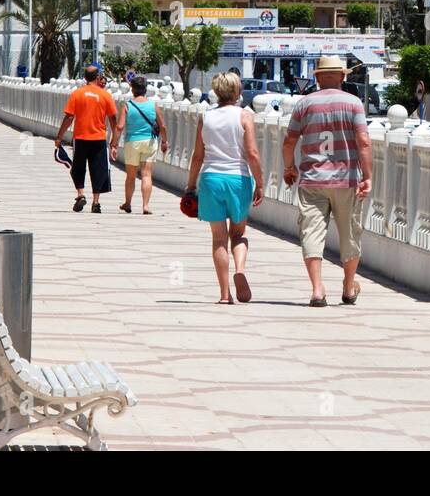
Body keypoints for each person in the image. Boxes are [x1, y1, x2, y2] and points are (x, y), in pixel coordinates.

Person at [281, 55, 372, 307]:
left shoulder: (304, 104)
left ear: (317, 77)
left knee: (311, 233)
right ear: (342, 76)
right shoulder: (354, 104)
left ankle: (317, 289)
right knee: (350, 234)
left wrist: (290, 168)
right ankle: (348, 286)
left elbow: (289, 141)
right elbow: (363, 142)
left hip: (312, 180)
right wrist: (368, 176)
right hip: (346, 180)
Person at [185, 71, 264, 304]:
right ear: (238, 92)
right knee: (238, 234)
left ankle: (224, 294)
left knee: (219, 239)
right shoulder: (245, 116)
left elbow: (197, 156)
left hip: (211, 179)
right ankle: (240, 268)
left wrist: (191, 186)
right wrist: (259, 183)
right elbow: (252, 153)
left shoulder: (205, 117)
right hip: (238, 179)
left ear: (216, 92)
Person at [55, 65, 118, 213]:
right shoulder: (105, 95)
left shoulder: (77, 94)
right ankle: (96, 202)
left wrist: (59, 136)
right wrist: (114, 140)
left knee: (78, 168)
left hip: (80, 138)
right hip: (99, 139)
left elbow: (69, 117)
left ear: (84, 77)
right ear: (98, 77)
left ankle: (81, 194)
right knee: (99, 170)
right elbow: (113, 119)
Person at [111, 75, 168, 214]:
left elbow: (119, 127)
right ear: (145, 89)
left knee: (131, 175)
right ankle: (145, 206)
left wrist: (113, 145)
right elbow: (163, 126)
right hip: (149, 142)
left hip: (132, 142)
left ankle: (128, 203)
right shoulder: (153, 105)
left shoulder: (127, 105)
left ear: (132, 89)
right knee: (147, 175)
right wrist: (165, 142)